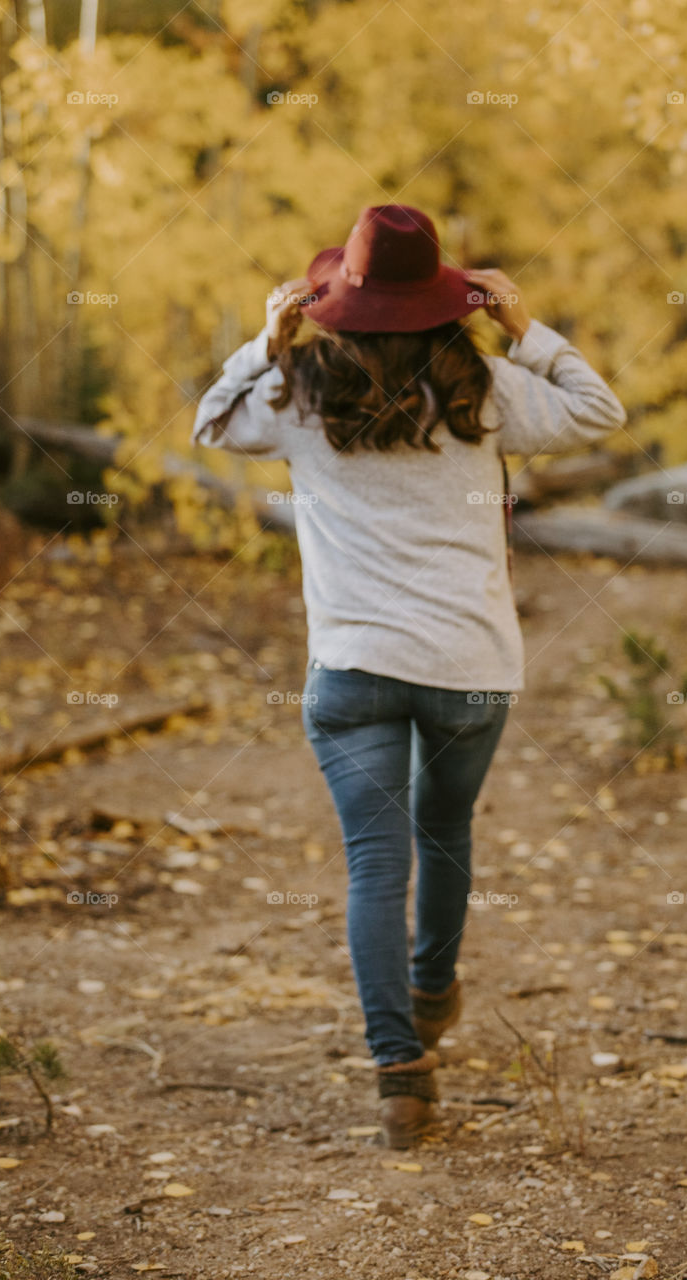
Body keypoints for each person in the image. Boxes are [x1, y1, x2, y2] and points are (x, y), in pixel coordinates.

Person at [191, 204, 626, 1147]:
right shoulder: (486, 387)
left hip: (352, 672)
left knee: (374, 866)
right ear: (445, 304)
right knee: (446, 828)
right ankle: (432, 989)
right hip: (469, 668)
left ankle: (400, 1072)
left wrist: (264, 341)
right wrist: (525, 327)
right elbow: (600, 412)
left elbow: (209, 423)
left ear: (336, 302)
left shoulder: (295, 394)